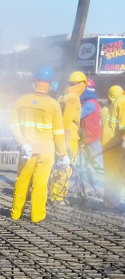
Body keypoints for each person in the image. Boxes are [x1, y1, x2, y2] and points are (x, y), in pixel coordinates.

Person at [10, 66, 69, 223]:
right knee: (40, 184)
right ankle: (37, 217)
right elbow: (58, 133)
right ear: (50, 84)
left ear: (33, 82)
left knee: (22, 181)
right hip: (47, 151)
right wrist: (62, 154)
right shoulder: (53, 104)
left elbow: (13, 126)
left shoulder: (21, 101)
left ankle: (16, 215)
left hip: (26, 151)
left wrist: (23, 143)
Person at [51, 71, 86, 203]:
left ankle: (57, 195)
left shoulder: (63, 96)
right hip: (68, 137)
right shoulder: (73, 98)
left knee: (60, 166)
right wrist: (65, 142)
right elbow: (66, 121)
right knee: (65, 168)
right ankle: (57, 197)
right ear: (82, 84)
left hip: (63, 134)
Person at [100, 85, 125, 208]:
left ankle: (109, 203)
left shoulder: (115, 103)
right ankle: (113, 204)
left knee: (110, 173)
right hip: (115, 145)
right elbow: (123, 127)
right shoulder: (123, 102)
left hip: (109, 143)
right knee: (115, 174)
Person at [78, 78, 103, 188]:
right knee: (84, 162)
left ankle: (109, 184)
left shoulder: (90, 104)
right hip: (87, 137)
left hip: (92, 137)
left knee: (98, 163)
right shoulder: (89, 103)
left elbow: (77, 115)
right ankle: (87, 184)